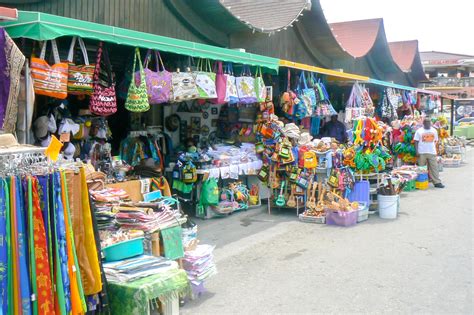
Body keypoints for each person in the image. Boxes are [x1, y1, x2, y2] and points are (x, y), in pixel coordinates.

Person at [414, 117, 445, 188]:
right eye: (426, 123)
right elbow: (416, 141)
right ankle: (421, 182)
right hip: (421, 152)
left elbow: (435, 140)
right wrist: (417, 151)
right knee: (421, 168)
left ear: (431, 123)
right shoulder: (419, 131)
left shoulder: (434, 130)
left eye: (429, 123)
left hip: (432, 152)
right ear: (423, 123)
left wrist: (436, 150)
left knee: (434, 167)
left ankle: (437, 182)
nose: (428, 124)